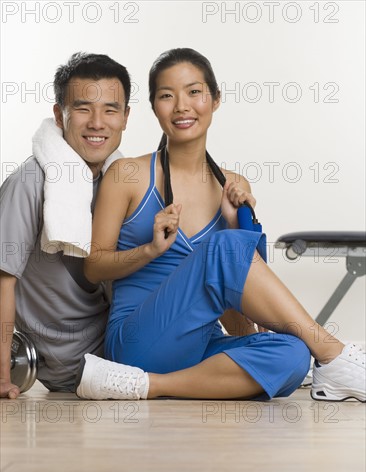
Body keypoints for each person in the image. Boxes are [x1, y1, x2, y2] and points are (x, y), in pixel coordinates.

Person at [77, 47, 365, 402]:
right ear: (154, 109)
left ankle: (142, 385)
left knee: (291, 353)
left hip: (197, 344)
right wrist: (150, 250)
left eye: (194, 92)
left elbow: (237, 298)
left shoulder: (232, 186)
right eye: (167, 96)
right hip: (136, 340)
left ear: (215, 100)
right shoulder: (128, 175)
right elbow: (93, 267)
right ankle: (334, 354)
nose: (182, 105)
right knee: (225, 250)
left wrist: (235, 226)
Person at [0, 52, 131, 399]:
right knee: (219, 255)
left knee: (211, 239)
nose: (97, 123)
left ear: (125, 118)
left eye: (110, 110)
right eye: (84, 108)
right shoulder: (29, 182)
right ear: (60, 116)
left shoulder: (120, 180)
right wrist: (2, 374)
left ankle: (253, 345)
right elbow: (3, 279)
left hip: (118, 335)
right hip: (74, 361)